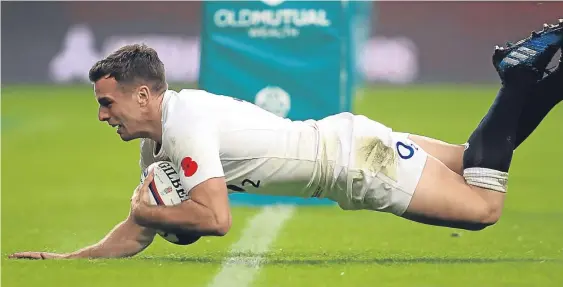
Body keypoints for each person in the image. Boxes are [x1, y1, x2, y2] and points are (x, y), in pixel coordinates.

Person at [9, 21, 563, 260]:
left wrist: (151, 214)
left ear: (145, 96)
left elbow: (214, 219)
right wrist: (73, 259)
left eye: (108, 102)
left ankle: (517, 77)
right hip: (347, 140)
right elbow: (138, 231)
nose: (103, 115)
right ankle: (551, 79)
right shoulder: (160, 142)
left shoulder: (185, 125)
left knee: (483, 208)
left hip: (356, 165)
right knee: (474, 160)